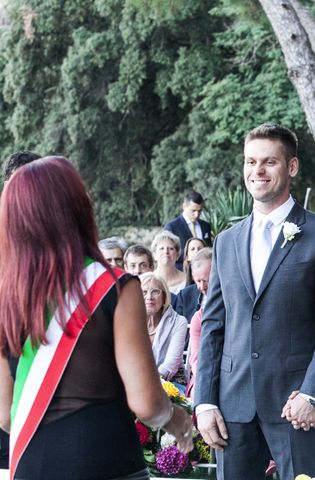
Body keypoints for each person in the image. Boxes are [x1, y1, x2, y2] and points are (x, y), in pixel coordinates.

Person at [0, 157, 192, 479]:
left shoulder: (7, 295)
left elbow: (5, 413)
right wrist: (176, 419)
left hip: (33, 463)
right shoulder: (115, 287)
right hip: (105, 460)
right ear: (77, 207)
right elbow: (147, 403)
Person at [194, 124, 315, 480]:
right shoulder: (226, 242)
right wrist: (204, 401)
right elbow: (213, 325)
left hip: (296, 405)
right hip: (233, 407)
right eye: (251, 162)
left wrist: (313, 394)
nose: (258, 171)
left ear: (292, 167)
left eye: (269, 162)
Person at [140, 272, 188, 382]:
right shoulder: (131, 321)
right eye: (143, 292)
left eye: (155, 291)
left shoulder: (179, 322)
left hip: (170, 383)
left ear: (164, 296)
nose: (149, 297)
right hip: (136, 382)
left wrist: (147, 384)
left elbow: (170, 365)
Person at [184, 248, 213, 398]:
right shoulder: (198, 317)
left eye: (206, 280)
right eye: (198, 281)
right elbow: (195, 359)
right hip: (204, 376)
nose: (202, 287)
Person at [165, 191, 212, 269]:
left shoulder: (206, 226)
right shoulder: (172, 227)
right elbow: (169, 254)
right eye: (193, 210)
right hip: (181, 272)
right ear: (184, 206)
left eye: (200, 211)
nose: (197, 214)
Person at [152, 230, 187, 294]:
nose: (166, 252)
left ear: (178, 255)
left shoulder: (187, 280)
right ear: (154, 255)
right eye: (161, 248)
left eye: (171, 248)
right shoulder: (148, 280)